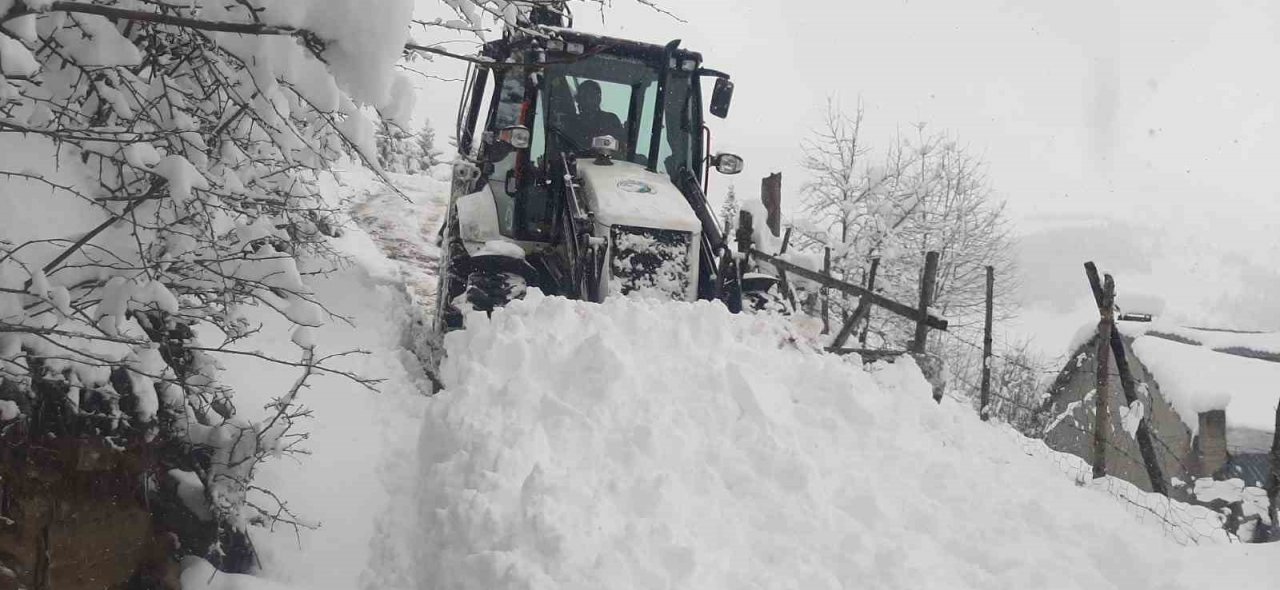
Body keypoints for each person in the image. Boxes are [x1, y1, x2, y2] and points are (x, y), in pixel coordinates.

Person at [568, 80, 626, 154]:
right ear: (578, 99)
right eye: (583, 96)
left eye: (592, 96)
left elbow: (621, 147)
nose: (588, 100)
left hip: (608, 163)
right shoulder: (572, 123)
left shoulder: (611, 120)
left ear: (599, 99)